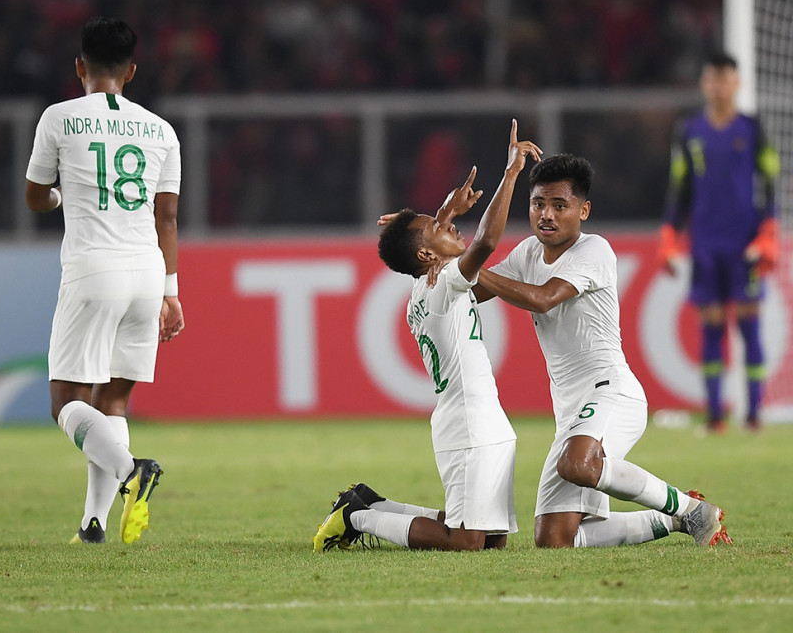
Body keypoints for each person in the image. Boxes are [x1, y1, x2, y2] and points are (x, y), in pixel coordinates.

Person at [473, 153, 732, 548]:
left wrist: (465, 265)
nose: (546, 215)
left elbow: (544, 298)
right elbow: (473, 290)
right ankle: (677, 521)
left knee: (578, 464)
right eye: (538, 203)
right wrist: (438, 257)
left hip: (610, 391)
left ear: (584, 210)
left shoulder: (594, 250)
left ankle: (689, 510)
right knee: (555, 539)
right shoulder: (527, 253)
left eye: (560, 206)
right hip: (571, 411)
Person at [313, 121, 542, 552]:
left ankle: (372, 503)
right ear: (425, 255)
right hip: (468, 422)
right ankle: (357, 516)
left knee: (488, 541)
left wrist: (443, 214)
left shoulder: (428, 283)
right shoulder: (443, 283)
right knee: (467, 541)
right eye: (439, 228)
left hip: (479, 418)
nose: (452, 227)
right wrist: (511, 172)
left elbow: (435, 239)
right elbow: (487, 240)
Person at [25, 16, 184, 545]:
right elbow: (167, 219)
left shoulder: (60, 118)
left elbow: (35, 196)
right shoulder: (161, 130)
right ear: (132, 71)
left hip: (94, 269)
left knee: (65, 403)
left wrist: (61, 195)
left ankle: (130, 471)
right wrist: (171, 292)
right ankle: (92, 523)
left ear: (79, 67)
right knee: (112, 401)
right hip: (147, 272)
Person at [658, 52, 781, 432]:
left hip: (744, 242)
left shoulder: (753, 128)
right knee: (711, 323)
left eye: (725, 78)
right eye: (712, 78)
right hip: (706, 242)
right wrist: (669, 234)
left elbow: (772, 182)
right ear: (704, 83)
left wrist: (769, 232)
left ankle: (754, 414)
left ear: (737, 83)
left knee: (748, 322)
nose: (718, 85)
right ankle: (715, 416)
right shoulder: (689, 131)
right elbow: (679, 187)